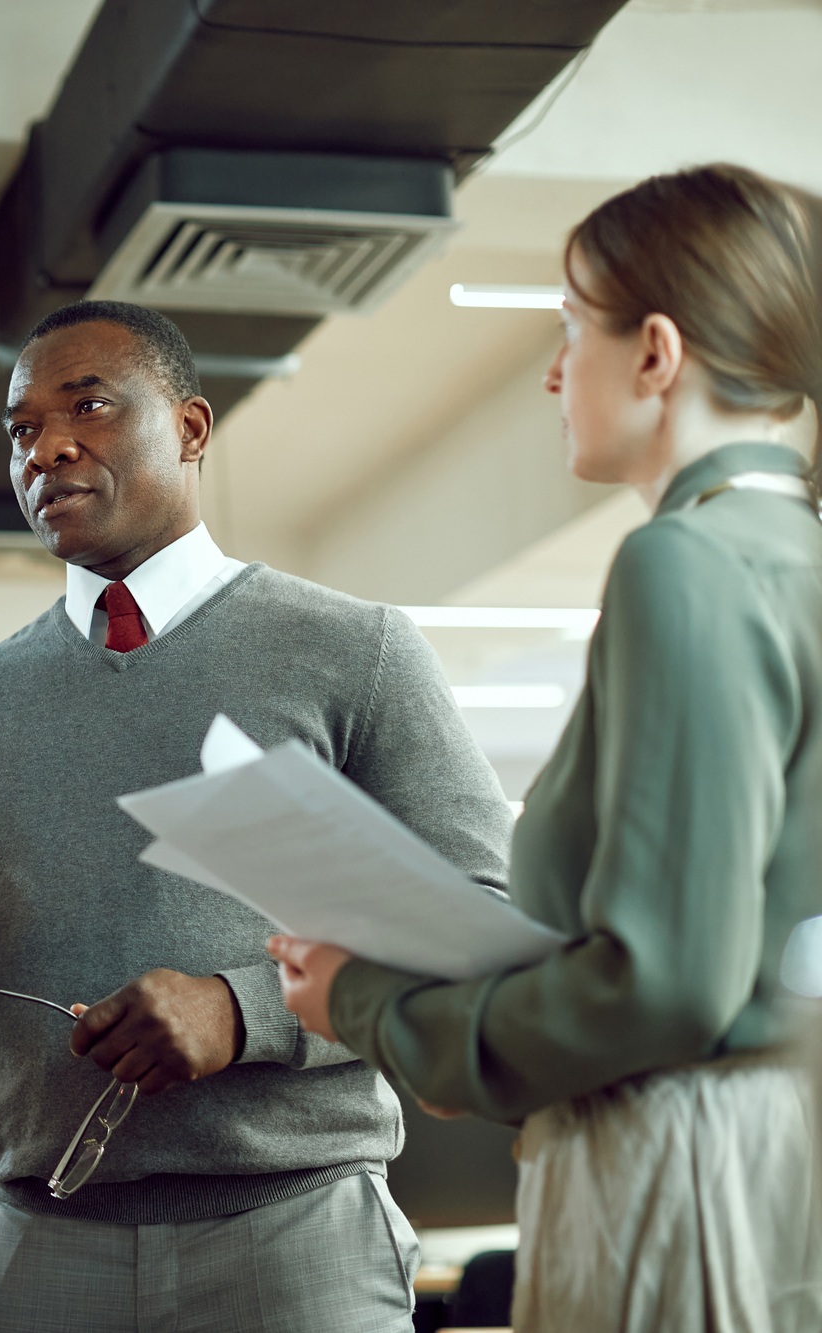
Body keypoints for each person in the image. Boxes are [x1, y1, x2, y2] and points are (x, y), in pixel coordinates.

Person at [0, 298, 513, 1331]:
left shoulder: (356, 653)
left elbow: (475, 930)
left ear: (191, 428)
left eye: (89, 407)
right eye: (22, 428)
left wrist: (240, 1009)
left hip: (293, 1236)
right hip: (44, 1245)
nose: (50, 447)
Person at [274, 164, 822, 1332]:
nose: (552, 368)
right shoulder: (793, 558)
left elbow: (663, 979)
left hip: (679, 1169)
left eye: (571, 326)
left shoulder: (685, 562)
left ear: (656, 354)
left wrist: (370, 1004)